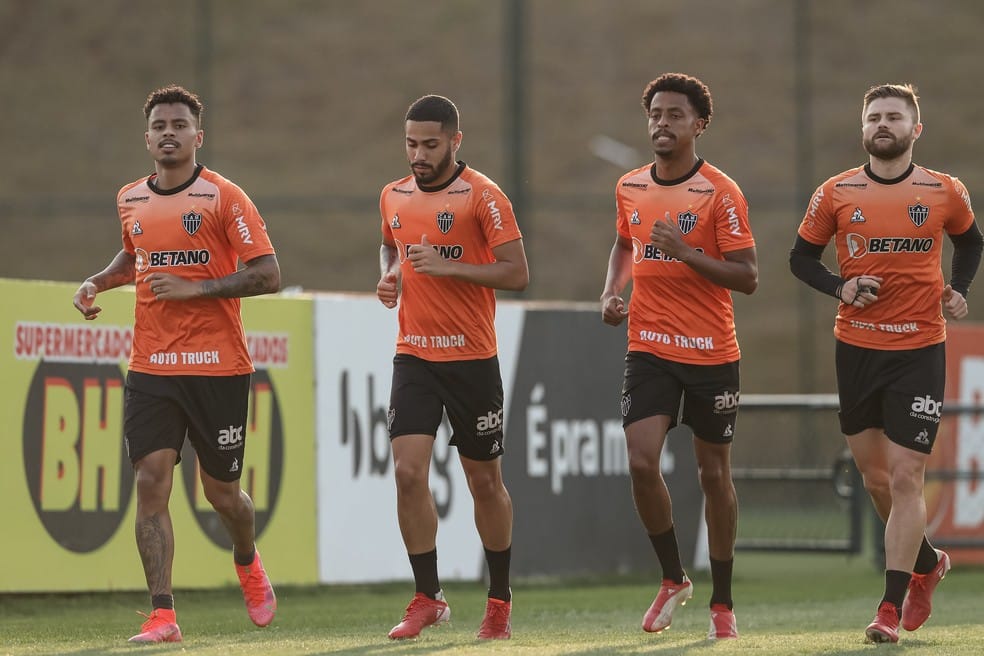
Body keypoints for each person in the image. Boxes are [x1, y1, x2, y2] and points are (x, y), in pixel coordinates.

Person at [72, 84, 281, 643]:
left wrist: (198, 289)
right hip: (152, 368)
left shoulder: (224, 197)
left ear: (197, 136)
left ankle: (246, 559)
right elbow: (134, 256)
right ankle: (163, 614)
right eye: (160, 125)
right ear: (147, 138)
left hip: (218, 368)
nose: (169, 132)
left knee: (223, 496)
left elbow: (267, 273)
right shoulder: (131, 198)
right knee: (150, 481)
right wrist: (98, 280)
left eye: (179, 124)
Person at [790, 83, 981, 643]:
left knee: (906, 476)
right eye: (874, 116)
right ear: (864, 128)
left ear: (914, 130)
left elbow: (971, 244)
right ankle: (927, 562)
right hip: (857, 347)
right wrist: (840, 287)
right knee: (876, 479)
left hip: (920, 348)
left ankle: (889, 609)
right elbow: (800, 258)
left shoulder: (944, 191)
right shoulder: (835, 192)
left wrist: (958, 288)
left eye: (894, 116)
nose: (882, 124)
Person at [600, 73, 757, 641]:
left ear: (699, 124)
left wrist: (686, 252)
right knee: (641, 460)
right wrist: (612, 292)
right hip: (649, 346)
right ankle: (672, 578)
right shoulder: (630, 186)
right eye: (655, 114)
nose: (662, 123)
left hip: (712, 352)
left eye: (674, 115)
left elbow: (748, 277)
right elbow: (624, 242)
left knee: (714, 475)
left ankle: (722, 600)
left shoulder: (721, 191)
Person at [375, 94, 529, 641]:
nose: (419, 154)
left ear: (455, 141)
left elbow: (516, 273)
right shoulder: (393, 195)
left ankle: (499, 601)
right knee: (407, 471)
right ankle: (428, 596)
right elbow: (390, 247)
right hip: (415, 354)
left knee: (485, 483)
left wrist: (448, 265)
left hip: (471, 358)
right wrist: (390, 276)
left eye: (431, 145)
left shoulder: (483, 197)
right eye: (411, 144)